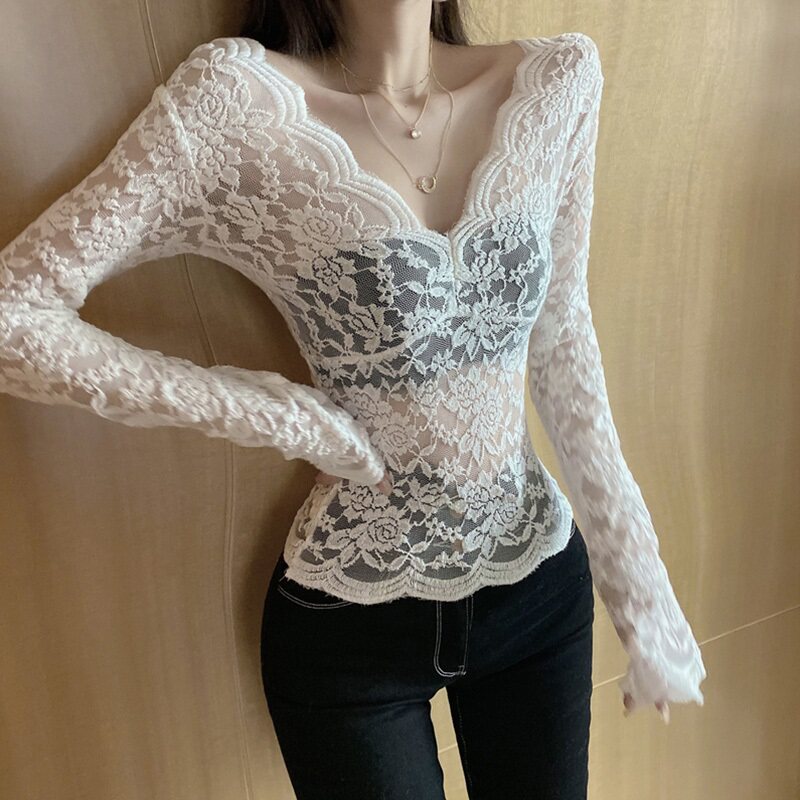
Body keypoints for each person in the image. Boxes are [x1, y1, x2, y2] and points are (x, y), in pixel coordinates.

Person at [0, 1, 707, 797]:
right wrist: (290, 418)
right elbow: (14, 318)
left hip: (536, 588)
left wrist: (645, 600)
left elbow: (562, 335)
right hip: (353, 628)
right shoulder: (237, 102)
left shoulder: (555, 81)